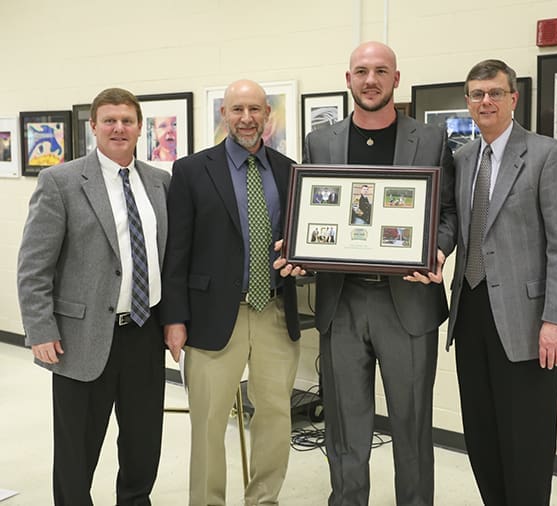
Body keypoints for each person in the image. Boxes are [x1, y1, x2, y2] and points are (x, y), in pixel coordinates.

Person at [277, 41, 456, 506]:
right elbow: (312, 213)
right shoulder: (322, 141)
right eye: (361, 71)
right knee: (345, 427)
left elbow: (449, 212)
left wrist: (435, 250)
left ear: (396, 79)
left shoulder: (431, 139)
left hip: (409, 304)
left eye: (380, 71)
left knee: (412, 427)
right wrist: (298, 248)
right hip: (343, 302)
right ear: (348, 78)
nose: (370, 79)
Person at [16, 87, 169, 506]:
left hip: (144, 331)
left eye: (127, 121)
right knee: (76, 452)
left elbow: (165, 258)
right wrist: (40, 328)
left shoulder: (159, 183)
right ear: (94, 126)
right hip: (80, 337)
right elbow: (34, 264)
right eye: (109, 120)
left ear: (140, 128)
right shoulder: (61, 181)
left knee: (142, 445)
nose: (119, 128)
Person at [446, 59, 557, 505]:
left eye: (495, 93)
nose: (485, 101)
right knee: (482, 436)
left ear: (513, 99)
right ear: (467, 101)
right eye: (476, 94)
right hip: (470, 314)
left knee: (527, 443)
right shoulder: (464, 159)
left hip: (529, 325)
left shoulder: (548, 155)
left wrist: (556, 319)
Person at [160, 79, 301, 506]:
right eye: (237, 109)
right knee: (208, 423)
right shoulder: (191, 170)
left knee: (276, 417)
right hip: (212, 315)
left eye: (255, 109)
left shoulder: (289, 170)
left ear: (267, 116)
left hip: (275, 312)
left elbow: (301, 240)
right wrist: (174, 319)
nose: (246, 118)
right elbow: (176, 252)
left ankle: (264, 499)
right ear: (224, 114)